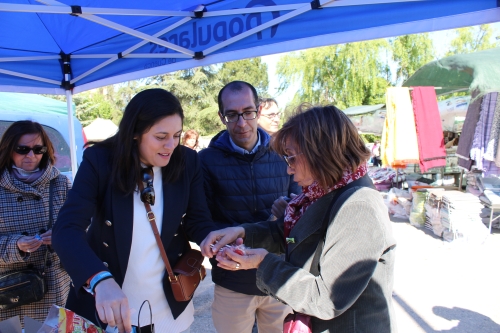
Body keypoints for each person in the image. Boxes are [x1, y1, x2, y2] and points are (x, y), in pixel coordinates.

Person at [201, 105, 397, 333]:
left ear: (320, 153)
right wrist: (242, 232)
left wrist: (263, 263)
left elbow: (327, 300)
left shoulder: (358, 206)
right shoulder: (327, 190)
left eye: (291, 158)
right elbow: (296, 234)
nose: (288, 170)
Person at [52, 89, 216, 333]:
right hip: (107, 304)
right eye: (161, 136)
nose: (170, 145)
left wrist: (213, 240)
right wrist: (99, 279)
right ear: (136, 133)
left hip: (169, 304)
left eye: (177, 136)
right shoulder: (100, 161)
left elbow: (198, 220)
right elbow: (66, 230)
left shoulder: (187, 161)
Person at [198, 81, 301, 333]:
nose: (241, 122)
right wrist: (223, 245)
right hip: (233, 281)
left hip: (278, 276)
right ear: (221, 116)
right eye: (231, 115)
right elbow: (201, 220)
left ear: (258, 109)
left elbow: (302, 206)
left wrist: (287, 211)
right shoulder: (205, 161)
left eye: (247, 112)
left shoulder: (283, 152)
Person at [0, 120, 71, 326]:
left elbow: (83, 229)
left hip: (53, 289)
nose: (31, 156)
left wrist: (60, 237)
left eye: (38, 149)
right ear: (9, 149)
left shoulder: (61, 184)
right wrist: (17, 245)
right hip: (8, 292)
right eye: (22, 149)